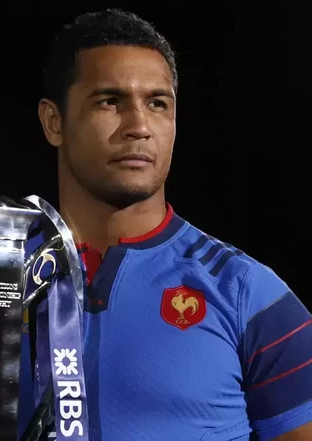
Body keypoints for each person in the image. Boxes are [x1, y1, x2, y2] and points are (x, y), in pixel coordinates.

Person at [20, 8, 312, 441]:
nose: (139, 126)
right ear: (53, 121)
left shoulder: (248, 293)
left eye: (157, 103)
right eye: (109, 101)